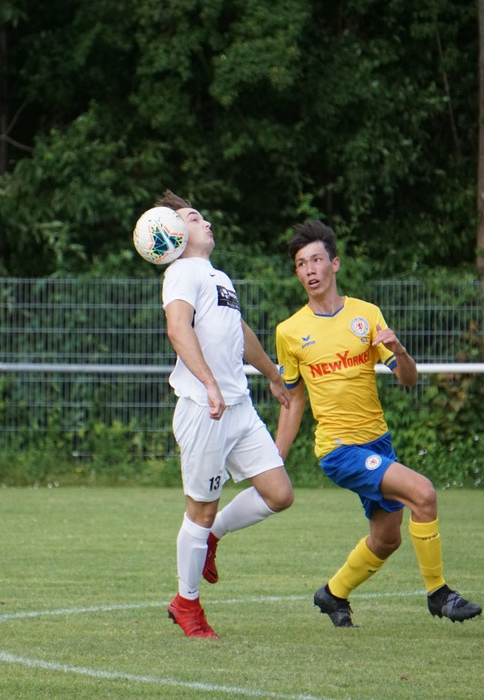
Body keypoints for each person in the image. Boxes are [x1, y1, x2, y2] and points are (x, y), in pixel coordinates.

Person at [273, 220, 482, 627]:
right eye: (301, 264)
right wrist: (275, 458)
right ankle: (439, 594)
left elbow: (408, 379)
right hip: (339, 450)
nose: (310, 269)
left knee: (387, 538)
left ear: (335, 263)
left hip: (377, 443)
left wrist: (399, 350)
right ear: (297, 273)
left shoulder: (366, 315)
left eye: (316, 260)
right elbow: (293, 400)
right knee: (423, 493)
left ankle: (333, 594)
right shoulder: (290, 331)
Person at [157, 190, 294, 639]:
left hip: (239, 408)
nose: (207, 222)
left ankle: (213, 536)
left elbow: (239, 331)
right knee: (199, 510)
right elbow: (177, 328)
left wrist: (273, 374)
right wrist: (210, 384)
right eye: (195, 218)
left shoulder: (217, 276)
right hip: (205, 410)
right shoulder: (181, 272)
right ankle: (186, 604)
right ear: (175, 233)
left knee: (279, 494)